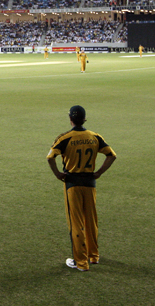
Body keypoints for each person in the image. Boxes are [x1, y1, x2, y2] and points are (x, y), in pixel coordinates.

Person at [48, 105, 117, 272]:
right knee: (91, 220)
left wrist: (58, 174)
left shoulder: (64, 138)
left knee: (76, 223)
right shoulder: (94, 137)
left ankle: (80, 263)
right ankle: (93, 256)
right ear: (84, 119)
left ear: (70, 119)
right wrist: (99, 172)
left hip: (72, 185)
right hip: (89, 183)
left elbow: (50, 157)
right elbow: (111, 155)